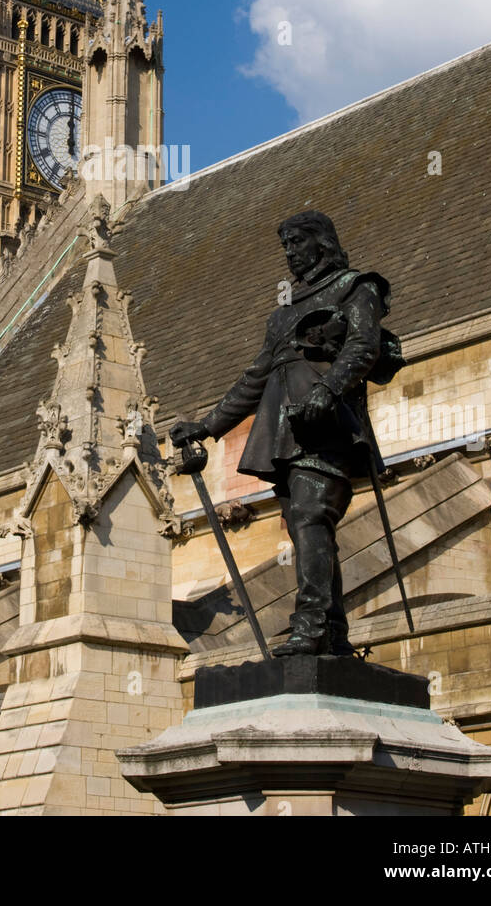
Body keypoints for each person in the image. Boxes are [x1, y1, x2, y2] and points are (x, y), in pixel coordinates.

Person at [171, 210, 399, 657]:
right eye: (286, 246)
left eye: (297, 243)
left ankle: (310, 622)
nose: (290, 253)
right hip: (285, 433)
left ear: (321, 243)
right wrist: (207, 426)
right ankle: (332, 630)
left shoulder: (357, 287)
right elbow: (254, 378)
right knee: (304, 526)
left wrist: (329, 389)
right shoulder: (283, 316)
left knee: (313, 516)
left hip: (328, 428)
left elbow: (364, 346)